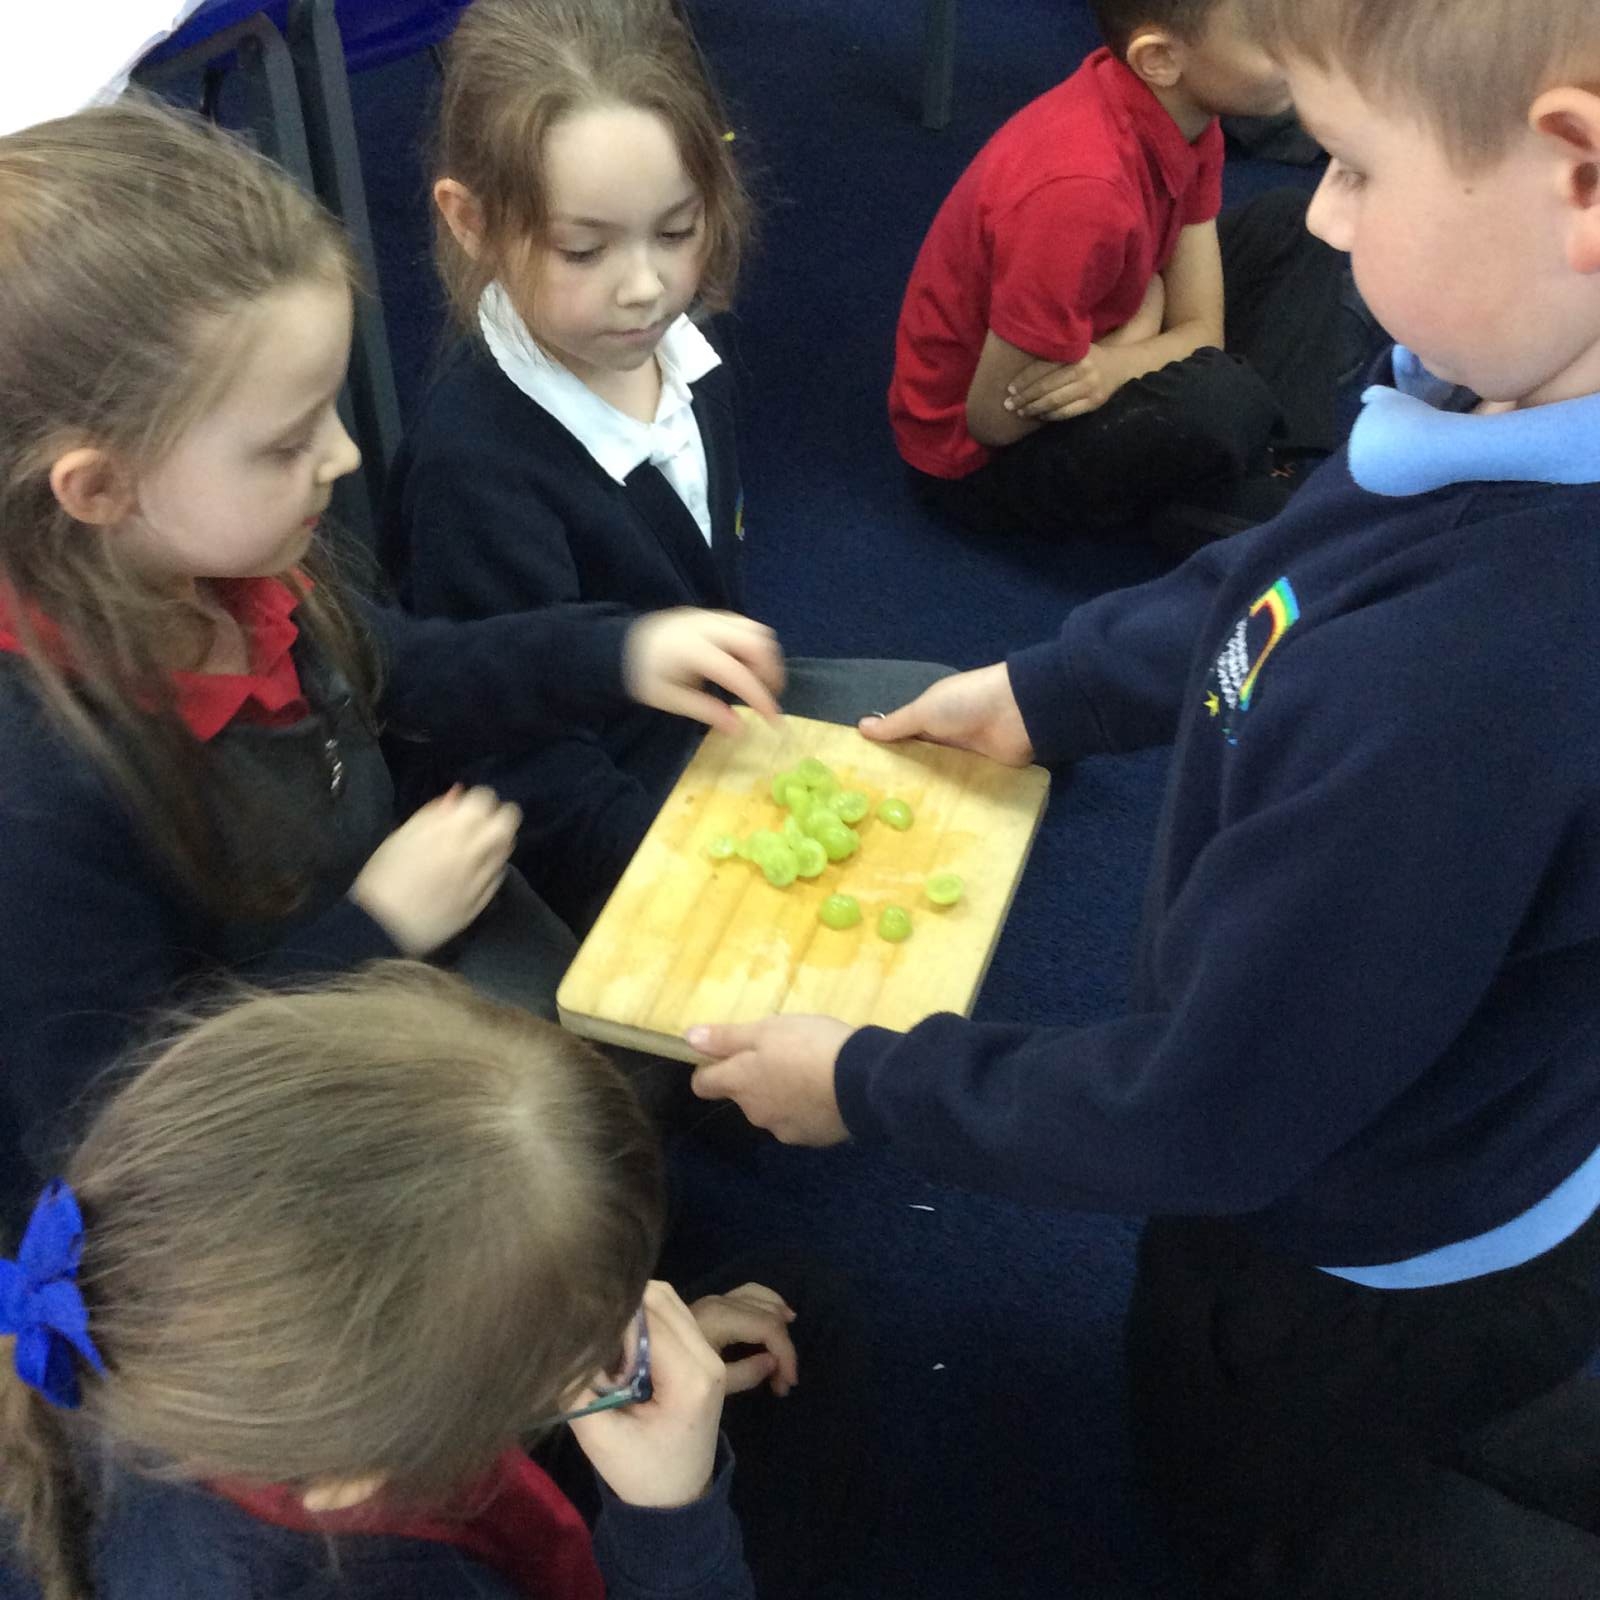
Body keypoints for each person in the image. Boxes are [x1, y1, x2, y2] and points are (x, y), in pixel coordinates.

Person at [688, 0, 1600, 1591]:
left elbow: (1204, 1112)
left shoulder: (1451, 691)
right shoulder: (1493, 395)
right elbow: (1295, 573)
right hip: (1388, 1105)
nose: (1320, 217)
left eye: (1353, 167)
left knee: (1249, 1489)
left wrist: (874, 1085)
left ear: (1579, 178)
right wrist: (1052, 689)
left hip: (1360, 1240)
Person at [0, 101, 785, 1233]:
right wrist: (376, 928)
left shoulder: (231, 563)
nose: (344, 454)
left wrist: (615, 648)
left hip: (369, 980)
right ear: (97, 489)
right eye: (286, 442)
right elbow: (119, 1132)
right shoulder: (42, 798)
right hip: (262, 1139)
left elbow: (403, 662)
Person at [383, 0, 947, 936]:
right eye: (584, 249)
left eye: (677, 231)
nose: (646, 287)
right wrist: (692, 878)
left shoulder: (681, 355)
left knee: (961, 748)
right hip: (579, 828)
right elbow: (515, 760)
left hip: (696, 735)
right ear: (472, 221)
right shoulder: (473, 468)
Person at [0, 962, 828, 1600]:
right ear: (360, 1473)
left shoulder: (118, 1331)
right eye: (563, 1350)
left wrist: (571, 1350)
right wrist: (672, 1526)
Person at [890, 0, 1359, 548]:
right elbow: (992, 420)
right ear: (1159, 59)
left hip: (1099, 344)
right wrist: (1138, 336)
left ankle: (1268, 462)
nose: (1300, 48)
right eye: (1266, 35)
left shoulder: (1189, 116)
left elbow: (1202, 328)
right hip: (984, 463)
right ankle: (1234, 490)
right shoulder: (1081, 193)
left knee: (1293, 224)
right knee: (1222, 397)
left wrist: (1130, 343)